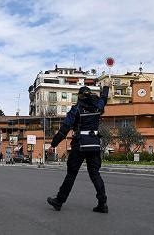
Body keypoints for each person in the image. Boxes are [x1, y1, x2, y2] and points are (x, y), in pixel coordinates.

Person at [46, 82, 110, 213]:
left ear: (79, 97)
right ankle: (102, 204)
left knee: (71, 174)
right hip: (94, 145)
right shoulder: (97, 107)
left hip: (80, 145)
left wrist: (53, 144)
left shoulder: (76, 110)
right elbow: (103, 99)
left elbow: (64, 129)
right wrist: (106, 88)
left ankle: (59, 201)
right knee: (95, 174)